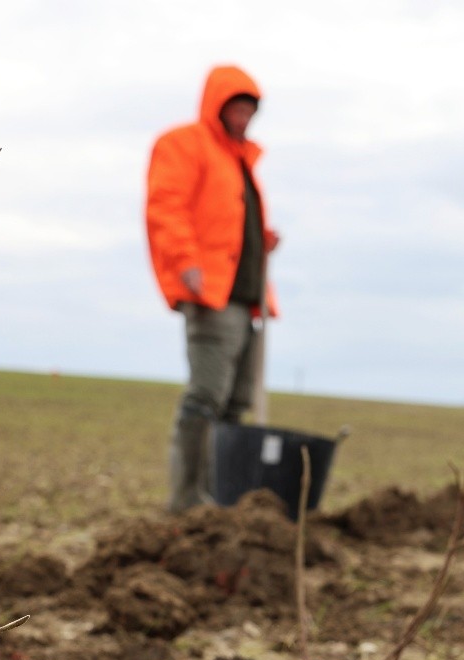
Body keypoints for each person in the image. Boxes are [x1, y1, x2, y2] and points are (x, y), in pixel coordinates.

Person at [146, 65, 279, 512]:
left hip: (247, 299)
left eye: (249, 111)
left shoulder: (241, 160)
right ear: (217, 105)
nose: (243, 118)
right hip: (211, 294)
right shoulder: (184, 144)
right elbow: (167, 205)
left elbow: (226, 222)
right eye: (236, 108)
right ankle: (187, 502)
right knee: (206, 397)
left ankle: (220, 501)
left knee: (235, 404)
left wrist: (262, 241)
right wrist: (185, 262)